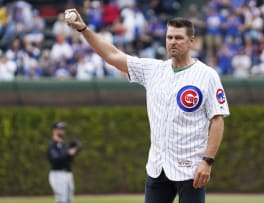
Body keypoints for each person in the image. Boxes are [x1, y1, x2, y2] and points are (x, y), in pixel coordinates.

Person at [64, 8, 230, 203]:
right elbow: (112, 56)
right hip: (157, 167)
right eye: (169, 37)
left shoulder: (207, 75)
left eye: (178, 38)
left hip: (191, 168)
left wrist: (207, 161)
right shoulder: (153, 70)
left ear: (191, 41)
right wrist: (83, 29)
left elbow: (217, 120)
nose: (172, 42)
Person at [48, 121, 80, 203]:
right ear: (54, 130)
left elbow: (69, 159)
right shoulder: (52, 145)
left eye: (63, 129)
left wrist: (75, 150)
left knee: (69, 200)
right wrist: (68, 153)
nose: (62, 131)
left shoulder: (65, 145)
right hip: (58, 174)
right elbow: (55, 160)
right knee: (61, 200)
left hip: (68, 174)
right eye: (60, 129)